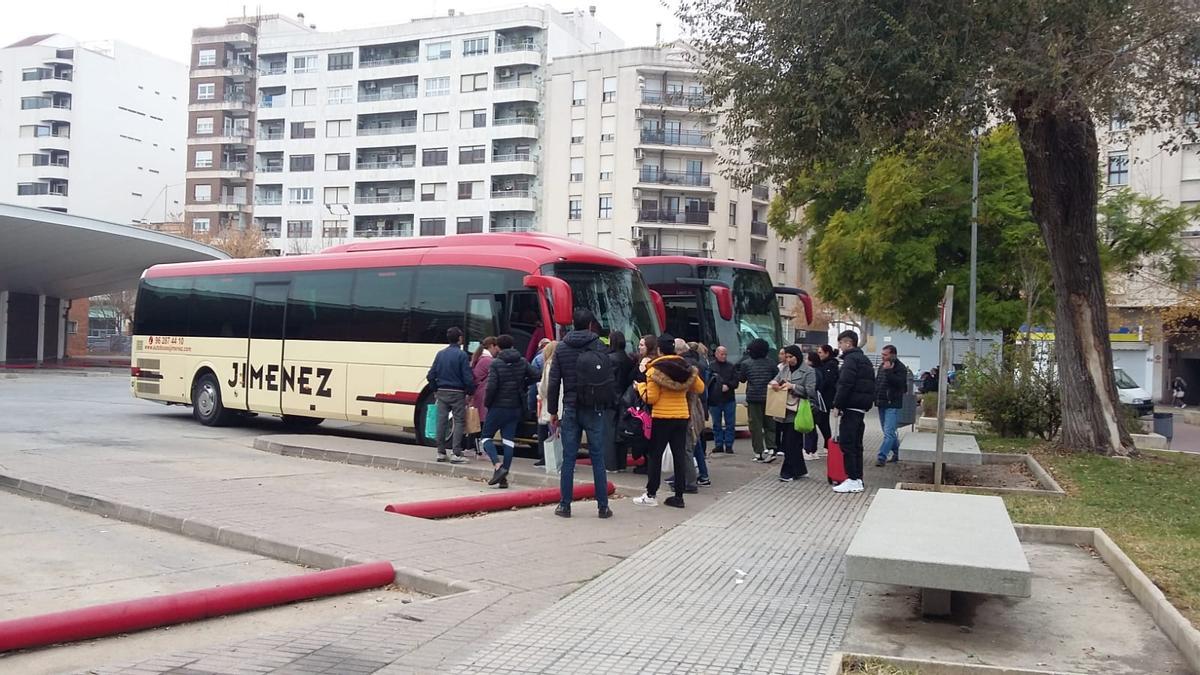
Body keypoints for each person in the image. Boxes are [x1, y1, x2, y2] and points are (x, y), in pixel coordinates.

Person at [547, 309, 613, 519]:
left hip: (571, 406)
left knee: (569, 458)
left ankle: (565, 505)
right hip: (594, 407)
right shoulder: (599, 345)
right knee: (597, 457)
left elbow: (554, 382)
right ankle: (603, 506)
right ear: (591, 325)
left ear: (573, 323)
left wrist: (552, 411)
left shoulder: (562, 347)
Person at [633, 334, 705, 508]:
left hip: (662, 417)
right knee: (679, 455)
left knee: (655, 455)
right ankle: (679, 496)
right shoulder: (686, 367)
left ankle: (651, 494)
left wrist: (640, 387)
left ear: (658, 349)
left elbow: (651, 398)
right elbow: (700, 387)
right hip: (681, 416)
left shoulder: (654, 370)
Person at [482, 334, 537, 488]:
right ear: (513, 345)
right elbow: (537, 375)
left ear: (498, 346)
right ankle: (504, 476)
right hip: (515, 407)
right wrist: (523, 384)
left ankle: (498, 467)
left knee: (485, 438)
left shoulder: (496, 363)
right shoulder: (522, 361)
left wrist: (488, 402)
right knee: (508, 441)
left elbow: (492, 386)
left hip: (497, 406)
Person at [831, 330, 875, 494]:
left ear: (848, 343)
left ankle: (852, 478)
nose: (840, 347)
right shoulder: (865, 360)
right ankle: (858, 478)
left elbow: (845, 384)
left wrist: (837, 404)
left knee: (848, 444)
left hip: (850, 407)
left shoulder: (850, 361)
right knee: (857, 445)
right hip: (861, 408)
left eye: (841, 343)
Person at [426, 327, 474, 464]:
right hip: (458, 392)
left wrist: (435, 389)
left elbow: (430, 375)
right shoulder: (462, 355)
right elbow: (467, 378)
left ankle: (440, 452)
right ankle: (456, 453)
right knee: (459, 421)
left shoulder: (440, 354)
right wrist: (470, 392)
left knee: (441, 421)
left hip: (442, 391)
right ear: (459, 339)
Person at [771, 345, 816, 482]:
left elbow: (811, 391)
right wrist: (774, 383)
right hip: (783, 410)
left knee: (790, 442)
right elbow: (776, 379)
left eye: (792, 357)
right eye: (787, 356)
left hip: (798, 410)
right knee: (794, 442)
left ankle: (787, 472)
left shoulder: (808, 371)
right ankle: (800, 470)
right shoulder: (784, 369)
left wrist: (794, 387)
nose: (789, 359)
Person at [738, 338, 779, 462]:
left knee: (755, 426)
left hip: (753, 397)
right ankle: (771, 448)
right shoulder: (771, 363)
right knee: (770, 425)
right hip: (769, 398)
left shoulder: (746, 364)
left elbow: (742, 379)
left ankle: (758, 453)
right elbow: (776, 377)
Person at [874, 345, 910, 466]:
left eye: (885, 355)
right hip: (881, 402)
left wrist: (889, 371)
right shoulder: (881, 367)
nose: (882, 357)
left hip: (892, 403)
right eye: (882, 354)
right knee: (888, 432)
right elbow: (878, 382)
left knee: (889, 432)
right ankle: (897, 452)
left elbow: (900, 384)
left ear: (893, 354)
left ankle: (881, 456)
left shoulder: (900, 368)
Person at [606, 331, 636, 472]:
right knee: (622, 432)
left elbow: (610, 382)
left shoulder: (610, 359)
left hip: (612, 400)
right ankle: (621, 463)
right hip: (626, 398)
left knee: (610, 433)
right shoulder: (628, 359)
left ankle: (611, 465)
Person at [467, 337, 499, 456]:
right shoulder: (488, 361)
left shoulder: (480, 358)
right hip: (483, 394)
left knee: (476, 422)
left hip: (478, 394)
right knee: (481, 423)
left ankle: (472, 447)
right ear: (491, 346)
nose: (498, 350)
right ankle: (479, 449)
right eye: (496, 347)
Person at [709, 345, 739, 454]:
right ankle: (719, 444)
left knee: (730, 423)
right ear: (716, 354)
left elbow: (736, 382)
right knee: (716, 424)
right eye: (722, 354)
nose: (724, 356)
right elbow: (708, 382)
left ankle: (729, 445)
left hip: (729, 399)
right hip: (715, 399)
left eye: (725, 354)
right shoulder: (711, 367)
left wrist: (728, 385)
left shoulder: (731, 367)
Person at [536, 341, 561, 469]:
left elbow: (545, 388)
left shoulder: (549, 364)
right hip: (562, 402)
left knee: (551, 432)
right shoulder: (563, 363)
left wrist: (539, 388)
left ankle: (550, 459)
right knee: (558, 433)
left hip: (549, 403)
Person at [813, 345, 839, 456]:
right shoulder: (824, 365)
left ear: (827, 353)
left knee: (822, 421)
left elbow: (828, 381)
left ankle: (828, 444)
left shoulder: (831, 365)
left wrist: (818, 388)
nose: (819, 355)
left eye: (820, 352)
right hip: (823, 397)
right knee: (822, 421)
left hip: (826, 398)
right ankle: (826, 444)